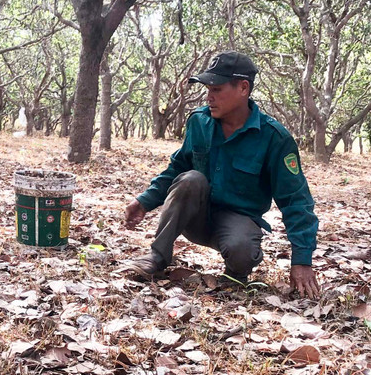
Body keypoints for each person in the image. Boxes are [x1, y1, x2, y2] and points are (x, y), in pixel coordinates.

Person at [123, 51, 320, 297]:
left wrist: (301, 260)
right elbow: (177, 168)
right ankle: (158, 256)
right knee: (190, 179)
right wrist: (145, 201)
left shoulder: (273, 138)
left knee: (242, 250)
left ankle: (235, 273)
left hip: (237, 223)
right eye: (208, 89)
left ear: (243, 88)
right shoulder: (199, 122)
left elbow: (295, 200)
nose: (209, 96)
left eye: (217, 89)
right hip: (195, 218)